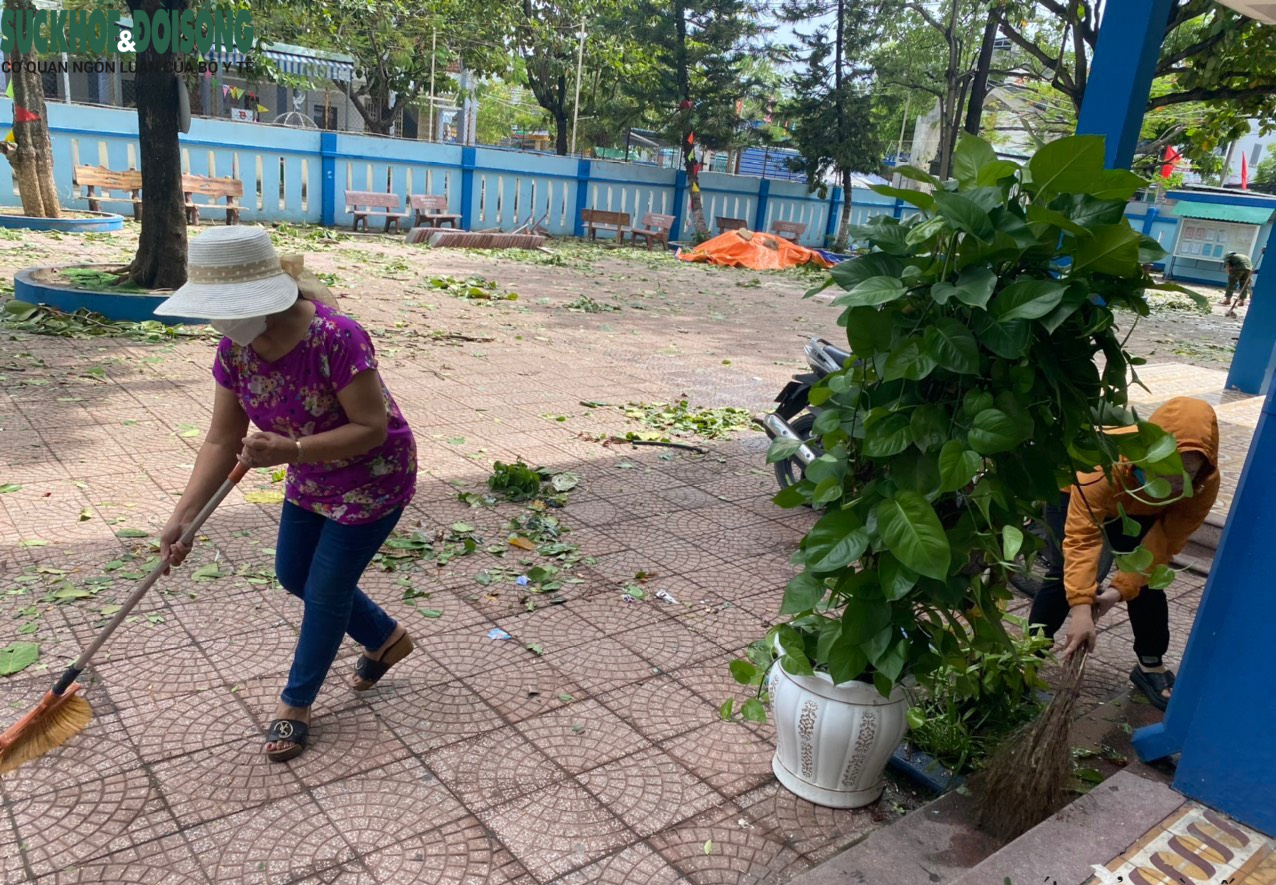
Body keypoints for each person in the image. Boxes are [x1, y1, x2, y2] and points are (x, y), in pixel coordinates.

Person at [154, 226, 418, 762]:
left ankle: (295, 703)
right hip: (310, 476)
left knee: (325, 590)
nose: (218, 320)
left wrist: (291, 450)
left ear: (263, 297)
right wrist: (183, 514)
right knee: (293, 574)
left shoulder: (337, 337)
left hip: (372, 478)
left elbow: (370, 427)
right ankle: (386, 637)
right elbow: (221, 438)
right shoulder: (235, 349)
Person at [1027, 397, 1219, 711]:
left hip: (1140, 509)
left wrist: (1117, 592)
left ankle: (1150, 665)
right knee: (1065, 573)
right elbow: (1081, 538)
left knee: (1148, 578)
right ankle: (1028, 658)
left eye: (1184, 474)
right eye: (1165, 468)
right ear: (1149, 451)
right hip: (1079, 493)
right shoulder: (1106, 459)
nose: (1172, 483)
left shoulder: (1203, 484)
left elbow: (1165, 541)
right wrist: (1080, 609)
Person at [1220, 251, 1253, 318]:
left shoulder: (1229, 257)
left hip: (1238, 268)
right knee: (1244, 285)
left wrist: (1230, 275)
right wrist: (1249, 277)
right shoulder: (1244, 256)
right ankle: (1242, 301)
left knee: (1231, 284)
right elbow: (1250, 266)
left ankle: (1227, 300)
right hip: (1248, 269)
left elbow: (1227, 266)